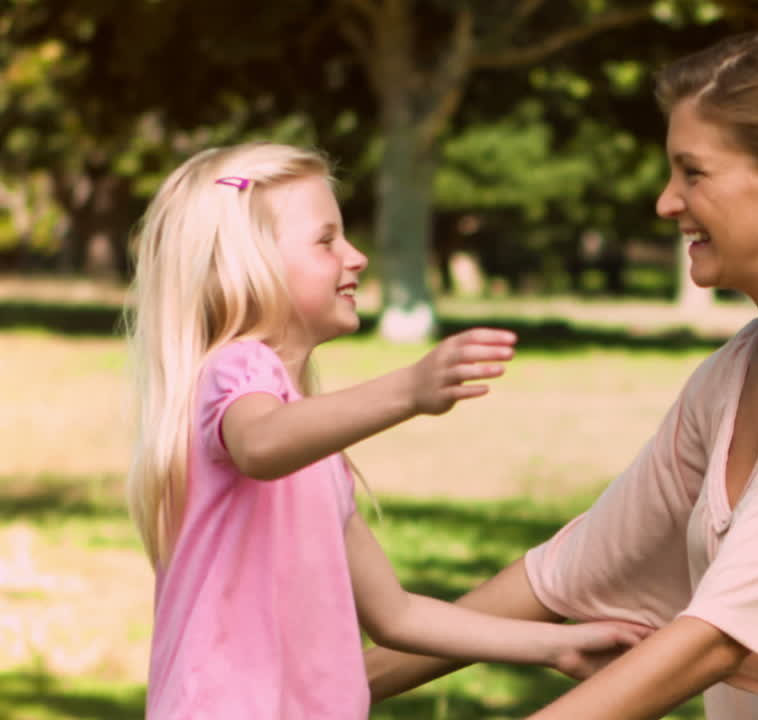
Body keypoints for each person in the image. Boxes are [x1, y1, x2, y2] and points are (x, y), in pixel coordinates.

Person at [365, 29, 758, 719]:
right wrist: (327, 687)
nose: (666, 202)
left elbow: (719, 640)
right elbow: (565, 574)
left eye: (693, 172)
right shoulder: (735, 374)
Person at [125, 142, 650, 718]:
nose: (356, 257)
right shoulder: (234, 370)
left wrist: (557, 645)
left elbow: (396, 615)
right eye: (325, 241)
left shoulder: (317, 451)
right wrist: (410, 390)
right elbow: (259, 444)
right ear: (247, 267)